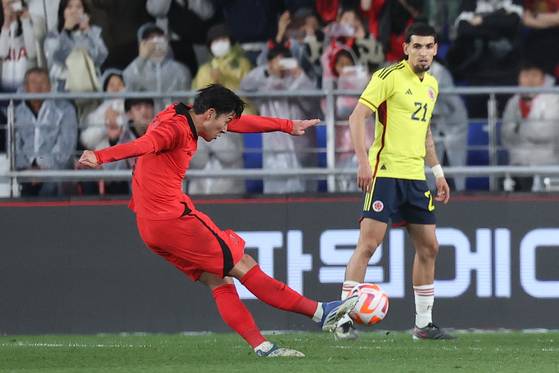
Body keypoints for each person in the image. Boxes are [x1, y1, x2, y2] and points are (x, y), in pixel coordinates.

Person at [78, 84, 358, 357]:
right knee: (242, 264)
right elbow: (146, 143)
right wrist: (100, 156)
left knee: (218, 279)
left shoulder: (184, 114)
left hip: (150, 225)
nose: (226, 129)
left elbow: (239, 123)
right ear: (209, 114)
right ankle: (322, 313)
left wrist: (285, 125)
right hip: (172, 219)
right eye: (224, 122)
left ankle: (262, 346)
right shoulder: (175, 129)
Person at [335, 23, 455, 340]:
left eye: (429, 46)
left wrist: (438, 172)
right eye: (417, 46)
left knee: (429, 247)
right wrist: (363, 162)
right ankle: (343, 319)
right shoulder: (387, 77)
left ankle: (423, 324)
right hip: (385, 172)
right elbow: (356, 116)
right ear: (405, 49)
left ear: (436, 48)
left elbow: (425, 131)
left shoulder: (431, 84)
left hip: (416, 177)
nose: (424, 52)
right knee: (369, 245)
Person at [241, 44, 318, 194]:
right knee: (276, 195)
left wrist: (299, 75)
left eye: (286, 61)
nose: (282, 65)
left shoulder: (299, 80)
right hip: (275, 154)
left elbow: (313, 102)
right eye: (278, 61)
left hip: (301, 151)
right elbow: (245, 86)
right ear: (269, 63)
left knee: (307, 198)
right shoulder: (263, 84)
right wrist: (267, 70)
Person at [15, 67, 77, 196]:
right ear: (26, 87)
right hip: (27, 172)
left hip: (55, 171)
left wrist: (43, 167)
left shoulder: (65, 109)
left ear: (50, 86)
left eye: (43, 82)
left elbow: (65, 147)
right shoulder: (17, 112)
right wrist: (27, 169)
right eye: (33, 83)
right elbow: (15, 147)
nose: (38, 87)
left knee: (51, 187)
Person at [501, 62, 559, 191]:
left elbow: (549, 132)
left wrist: (519, 129)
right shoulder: (514, 101)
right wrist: (531, 130)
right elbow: (505, 135)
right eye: (525, 75)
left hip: (548, 165)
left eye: (534, 75)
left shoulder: (554, 99)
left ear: (543, 78)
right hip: (517, 165)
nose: (529, 80)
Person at [123, 23, 191, 111]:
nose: (155, 42)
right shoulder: (137, 68)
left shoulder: (181, 70)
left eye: (159, 37)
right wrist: (142, 58)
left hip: (172, 121)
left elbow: (185, 102)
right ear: (142, 44)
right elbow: (128, 82)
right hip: (147, 122)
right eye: (150, 39)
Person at [0, 0, 38, 91]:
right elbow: (2, 54)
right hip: (4, 84)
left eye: (12, 3)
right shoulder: (3, 28)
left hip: (27, 84)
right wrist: (6, 25)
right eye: (5, 5)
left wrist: (25, 22)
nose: (10, 8)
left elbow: (32, 53)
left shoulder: (33, 21)